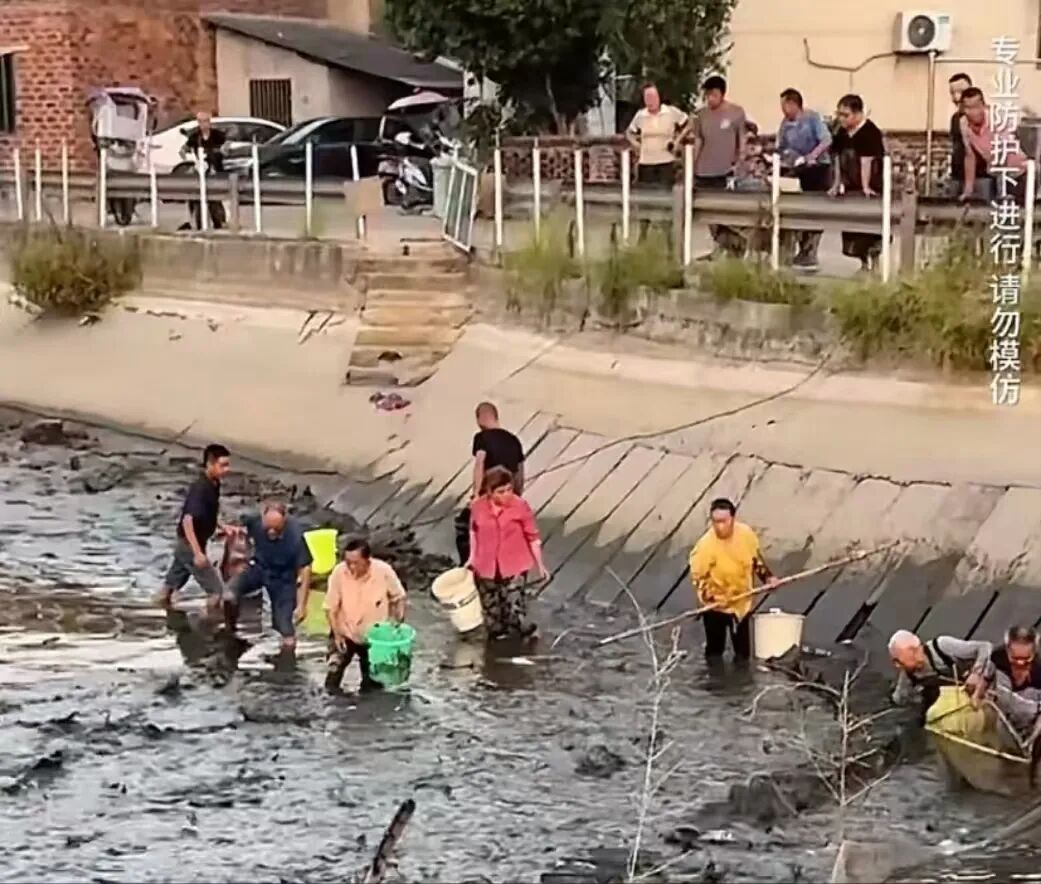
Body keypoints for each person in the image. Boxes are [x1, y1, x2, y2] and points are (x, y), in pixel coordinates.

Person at [688, 498, 778, 661]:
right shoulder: (705, 547)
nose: (719, 527)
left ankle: (741, 683)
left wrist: (768, 578)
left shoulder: (745, 534)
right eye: (715, 522)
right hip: (716, 606)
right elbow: (698, 579)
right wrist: (712, 599)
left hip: (741, 602)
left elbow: (755, 559)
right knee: (715, 652)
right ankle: (715, 682)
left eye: (723, 521)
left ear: (733, 519)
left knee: (743, 654)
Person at [467, 466, 547, 640]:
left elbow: (533, 536)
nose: (507, 495)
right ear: (490, 492)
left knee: (514, 607)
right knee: (491, 612)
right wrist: (472, 557)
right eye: (501, 491)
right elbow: (474, 531)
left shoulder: (520, 506)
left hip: (514, 564)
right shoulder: (478, 507)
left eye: (509, 490)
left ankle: (526, 634)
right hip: (486, 565)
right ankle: (498, 645)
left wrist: (540, 565)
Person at [223, 501, 312, 654]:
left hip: (283, 578)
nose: (271, 531)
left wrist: (302, 605)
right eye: (268, 527)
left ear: (284, 521)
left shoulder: (296, 536)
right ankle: (230, 631)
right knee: (228, 595)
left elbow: (305, 569)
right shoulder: (254, 520)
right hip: (259, 568)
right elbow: (231, 521)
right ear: (262, 518)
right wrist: (228, 529)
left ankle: (288, 662)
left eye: (275, 528)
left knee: (284, 627)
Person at [324, 538, 408, 694]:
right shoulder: (339, 573)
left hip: (374, 636)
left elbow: (399, 597)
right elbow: (330, 608)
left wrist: (397, 624)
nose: (351, 567)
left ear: (367, 560)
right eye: (348, 562)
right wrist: (337, 635)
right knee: (332, 678)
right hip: (345, 632)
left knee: (373, 684)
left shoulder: (383, 571)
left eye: (356, 562)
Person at [157, 443, 232, 612]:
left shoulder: (214, 484)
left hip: (191, 543)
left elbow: (210, 510)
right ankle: (211, 627)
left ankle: (162, 610)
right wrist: (198, 553)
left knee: (170, 587)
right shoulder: (200, 488)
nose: (227, 469)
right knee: (216, 591)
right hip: (189, 544)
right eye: (223, 465)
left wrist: (221, 526)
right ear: (210, 464)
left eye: (228, 465)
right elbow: (187, 520)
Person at [454, 402, 525, 566]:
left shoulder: (482, 437)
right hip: (508, 495)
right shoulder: (514, 440)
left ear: (480, 419)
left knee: (463, 526)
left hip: (490, 493)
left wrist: (476, 495)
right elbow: (520, 472)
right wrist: (517, 496)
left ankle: (468, 566)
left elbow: (480, 463)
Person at [691, 75, 748, 258]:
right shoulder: (701, 115)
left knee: (725, 212)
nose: (710, 99)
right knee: (708, 215)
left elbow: (742, 140)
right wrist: (692, 165)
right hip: (704, 169)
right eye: (707, 95)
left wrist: (739, 162)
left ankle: (736, 245)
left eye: (713, 95)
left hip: (725, 170)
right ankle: (721, 246)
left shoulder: (736, 113)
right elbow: (698, 141)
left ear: (722, 94)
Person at [829, 94, 886, 273]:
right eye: (840, 114)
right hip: (850, 184)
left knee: (872, 228)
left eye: (845, 115)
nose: (841, 119)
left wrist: (866, 186)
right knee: (853, 228)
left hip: (872, 185)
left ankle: (875, 263)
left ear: (858, 114)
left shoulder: (870, 132)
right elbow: (836, 157)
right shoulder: (841, 133)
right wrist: (836, 183)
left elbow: (867, 161)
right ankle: (863, 264)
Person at [776, 88, 832, 271]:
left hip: (818, 168)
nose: (783, 109)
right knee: (797, 210)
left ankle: (810, 251)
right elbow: (781, 145)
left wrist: (811, 156)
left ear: (793, 104)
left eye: (784, 105)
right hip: (798, 170)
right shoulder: (785, 124)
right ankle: (799, 249)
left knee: (814, 210)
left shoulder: (812, 118)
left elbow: (826, 140)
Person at [889, 630, 993, 718]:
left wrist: (976, 673)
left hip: (988, 689)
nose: (917, 656)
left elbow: (985, 647)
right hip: (960, 707)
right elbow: (899, 700)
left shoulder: (942, 647)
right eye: (911, 654)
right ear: (898, 663)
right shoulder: (909, 677)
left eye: (916, 649)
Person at [958, 86, 1026, 202]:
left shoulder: (997, 118)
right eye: (968, 108)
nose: (973, 112)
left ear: (983, 106)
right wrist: (968, 190)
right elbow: (970, 156)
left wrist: (1001, 191)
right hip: (995, 175)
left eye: (976, 107)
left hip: (1018, 173)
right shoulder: (963, 123)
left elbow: (1002, 153)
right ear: (963, 109)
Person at [626, 83, 689, 188]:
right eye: (648, 97)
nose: (651, 100)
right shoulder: (641, 115)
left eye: (653, 97)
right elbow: (629, 132)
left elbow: (688, 123)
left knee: (665, 195)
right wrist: (635, 144)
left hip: (666, 161)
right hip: (646, 162)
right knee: (647, 196)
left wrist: (677, 140)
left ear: (659, 97)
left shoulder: (670, 111)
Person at [183, 111, 227, 231]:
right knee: (195, 195)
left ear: (209, 122)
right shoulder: (195, 136)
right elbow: (184, 149)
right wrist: (190, 159)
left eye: (205, 121)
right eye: (200, 122)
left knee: (215, 197)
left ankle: (219, 221)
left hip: (215, 170)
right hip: (200, 169)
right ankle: (195, 221)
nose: (203, 124)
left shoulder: (217, 135)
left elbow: (226, 147)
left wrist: (220, 151)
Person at [947, 73, 972, 195]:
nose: (957, 97)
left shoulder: (984, 118)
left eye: (961, 91)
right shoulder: (955, 119)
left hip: (980, 177)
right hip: (957, 176)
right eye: (952, 93)